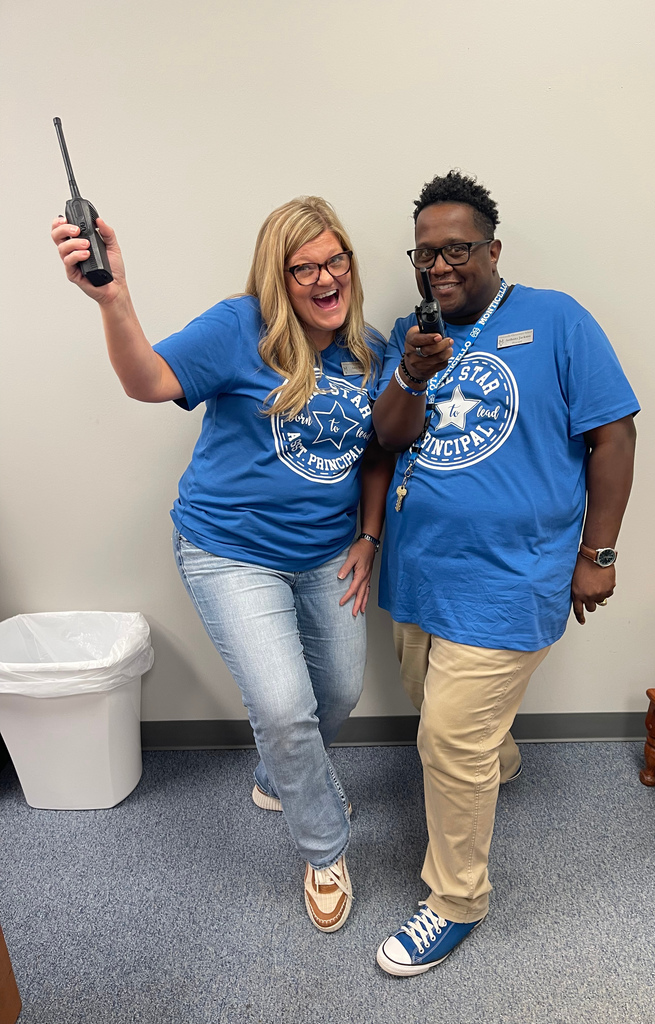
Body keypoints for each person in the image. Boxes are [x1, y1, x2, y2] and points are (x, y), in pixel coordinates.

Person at [51, 196, 393, 933]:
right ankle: (325, 847)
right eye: (303, 268)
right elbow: (147, 379)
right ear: (278, 278)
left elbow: (375, 457)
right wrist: (114, 300)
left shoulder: (370, 349)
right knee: (281, 706)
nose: (324, 278)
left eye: (336, 260)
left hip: (329, 551)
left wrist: (369, 536)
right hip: (230, 550)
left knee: (338, 692)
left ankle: (278, 777)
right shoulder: (240, 327)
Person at [372, 171, 639, 975]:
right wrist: (412, 374)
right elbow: (389, 437)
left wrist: (598, 554)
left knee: (448, 738)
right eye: (424, 254)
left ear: (492, 248)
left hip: (513, 575)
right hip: (420, 574)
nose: (439, 265)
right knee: (437, 710)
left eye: (455, 249)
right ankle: (496, 759)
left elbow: (614, 437)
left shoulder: (556, 318)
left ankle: (455, 900)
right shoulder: (409, 333)